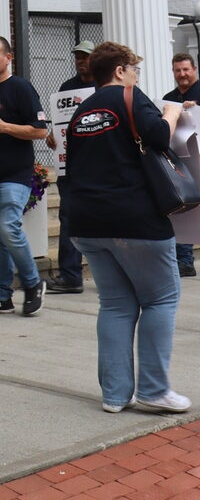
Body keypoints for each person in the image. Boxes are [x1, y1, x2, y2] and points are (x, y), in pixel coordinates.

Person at [65, 41, 189, 414]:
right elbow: (157, 137)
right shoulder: (131, 98)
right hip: (135, 219)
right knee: (160, 299)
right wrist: (171, 111)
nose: (136, 76)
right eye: (133, 69)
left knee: (116, 305)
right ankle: (153, 389)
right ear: (119, 71)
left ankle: (115, 395)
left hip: (86, 221)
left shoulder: (81, 111)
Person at [0, 36, 49, 318]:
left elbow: (41, 131)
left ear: (8, 57)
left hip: (15, 174)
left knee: (8, 228)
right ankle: (2, 296)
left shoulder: (21, 89)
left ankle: (32, 283)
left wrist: (5, 127)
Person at [45, 39, 96, 294]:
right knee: (68, 217)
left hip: (99, 167)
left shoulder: (103, 86)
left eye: (85, 56)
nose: (80, 61)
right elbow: (58, 126)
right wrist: (52, 135)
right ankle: (70, 275)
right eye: (77, 56)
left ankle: (118, 272)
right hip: (70, 168)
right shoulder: (66, 88)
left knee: (104, 219)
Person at [163, 51, 200, 277]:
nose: (182, 74)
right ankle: (184, 261)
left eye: (186, 69)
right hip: (182, 162)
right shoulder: (169, 98)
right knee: (184, 208)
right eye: (178, 70)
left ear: (194, 69)